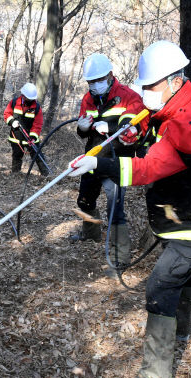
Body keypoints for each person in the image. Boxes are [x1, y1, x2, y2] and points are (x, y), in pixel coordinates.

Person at [68, 40, 191, 378]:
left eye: (151, 86)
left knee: (159, 287)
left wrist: (99, 163)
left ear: (174, 81)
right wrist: (137, 130)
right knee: (183, 275)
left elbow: (148, 167)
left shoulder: (188, 124)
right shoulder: (184, 98)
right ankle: (182, 331)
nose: (145, 93)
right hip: (188, 213)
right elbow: (154, 126)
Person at [70, 53, 147, 267]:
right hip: (92, 159)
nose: (94, 86)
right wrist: (82, 128)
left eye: (98, 80)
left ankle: (119, 258)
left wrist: (112, 128)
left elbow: (132, 127)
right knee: (84, 201)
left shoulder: (129, 96)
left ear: (111, 75)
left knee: (115, 210)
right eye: (90, 82)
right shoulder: (88, 98)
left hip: (117, 162)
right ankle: (91, 234)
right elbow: (83, 132)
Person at [2, 82, 49, 176]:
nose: (29, 100)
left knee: (38, 155)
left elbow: (38, 124)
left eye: (31, 98)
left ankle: (46, 175)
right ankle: (15, 175)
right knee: (17, 155)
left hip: (30, 137)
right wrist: (12, 122)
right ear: (22, 95)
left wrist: (33, 137)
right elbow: (7, 114)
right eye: (28, 98)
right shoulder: (14, 102)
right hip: (16, 136)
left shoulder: (36, 108)